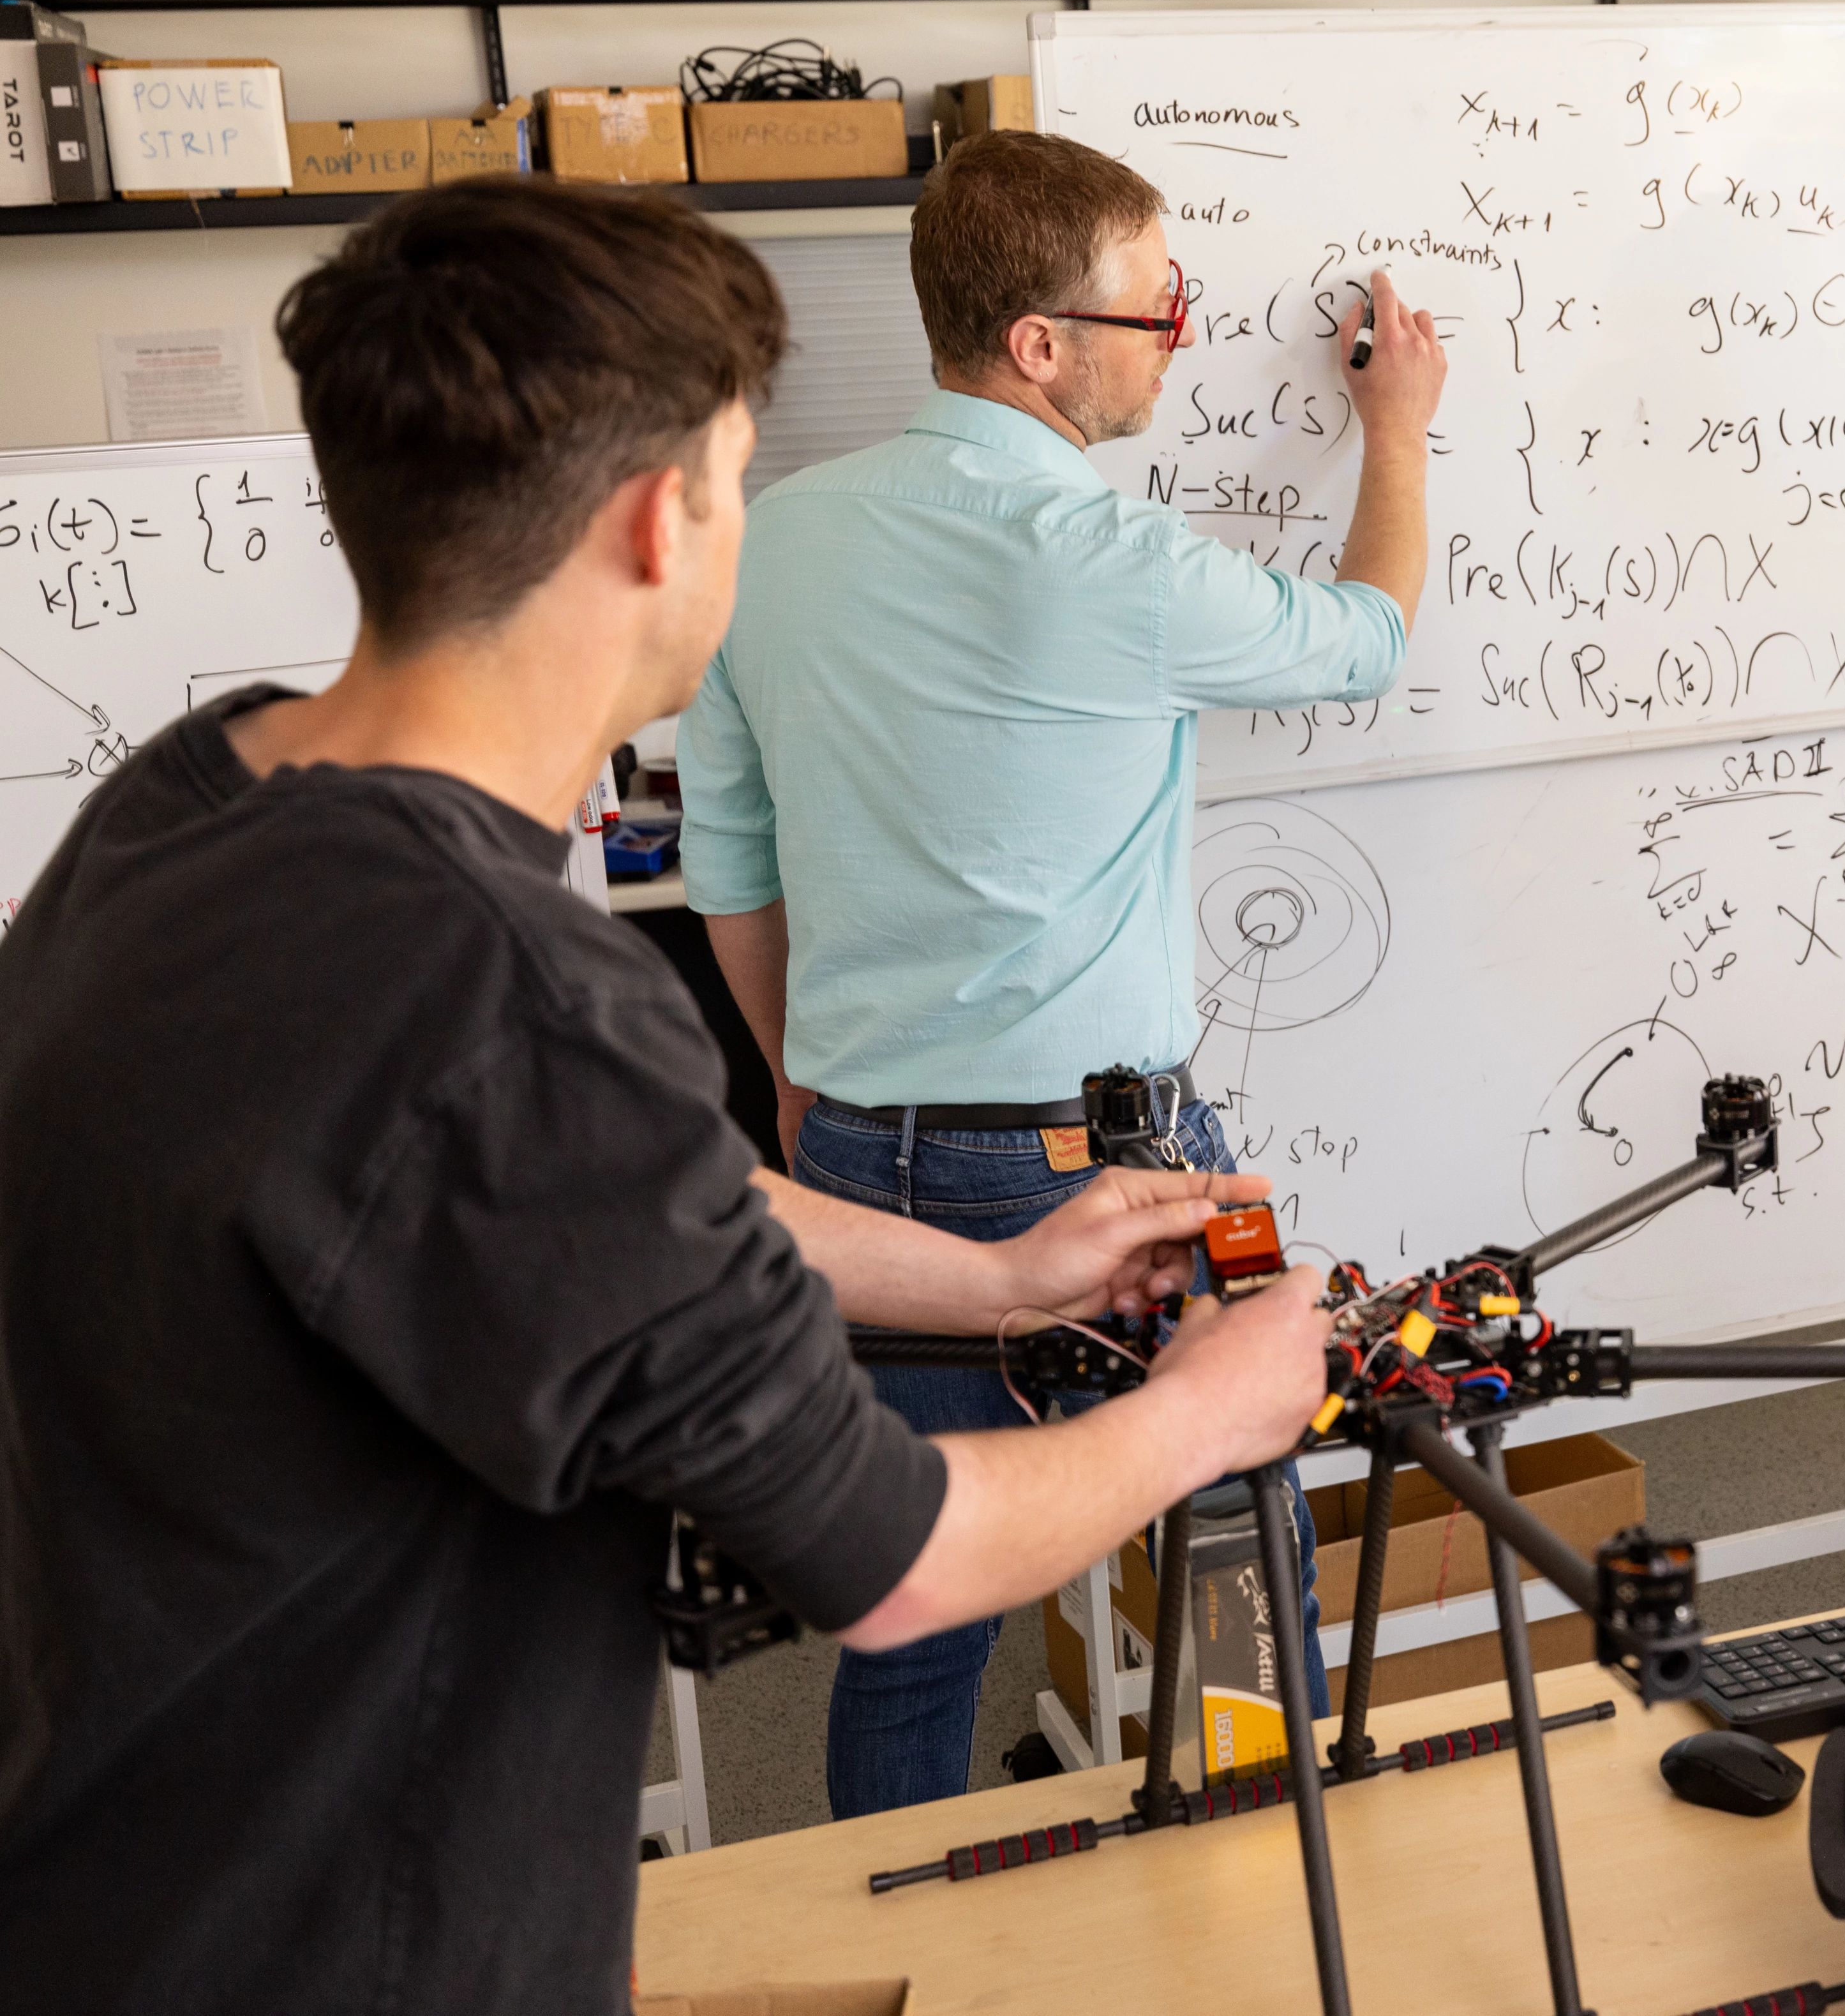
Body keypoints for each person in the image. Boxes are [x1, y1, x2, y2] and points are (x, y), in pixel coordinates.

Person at [0, 179, 1333, 2014]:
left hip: (103, 1858)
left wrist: (1008, 1282)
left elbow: (586, 1192)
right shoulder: (524, 998)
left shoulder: (192, 797)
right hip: (353, 1941)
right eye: (735, 475)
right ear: (658, 519)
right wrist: (1205, 1409)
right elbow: (893, 1551)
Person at [677, 128, 1447, 1815]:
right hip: (1118, 1165)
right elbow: (1370, 637)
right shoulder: (1112, 562)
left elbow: (729, 866)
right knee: (1241, 1527)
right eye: (1159, 308)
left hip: (861, 1156)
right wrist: (1396, 434)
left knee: (916, 1592)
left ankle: (908, 1941)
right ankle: (1269, 1907)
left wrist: (803, 1089)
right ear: (1041, 342)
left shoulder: (770, 539)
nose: (1180, 334)